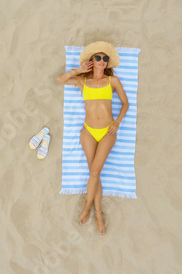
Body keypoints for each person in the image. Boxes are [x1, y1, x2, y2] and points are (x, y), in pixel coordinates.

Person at [57, 41, 129, 234]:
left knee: (95, 171)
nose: (102, 61)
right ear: (91, 61)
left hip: (107, 131)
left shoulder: (113, 81)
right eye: (98, 58)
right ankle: (98, 212)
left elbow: (125, 103)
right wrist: (77, 71)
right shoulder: (83, 81)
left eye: (105, 59)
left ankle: (89, 208)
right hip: (88, 131)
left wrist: (117, 122)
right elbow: (60, 80)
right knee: (93, 173)